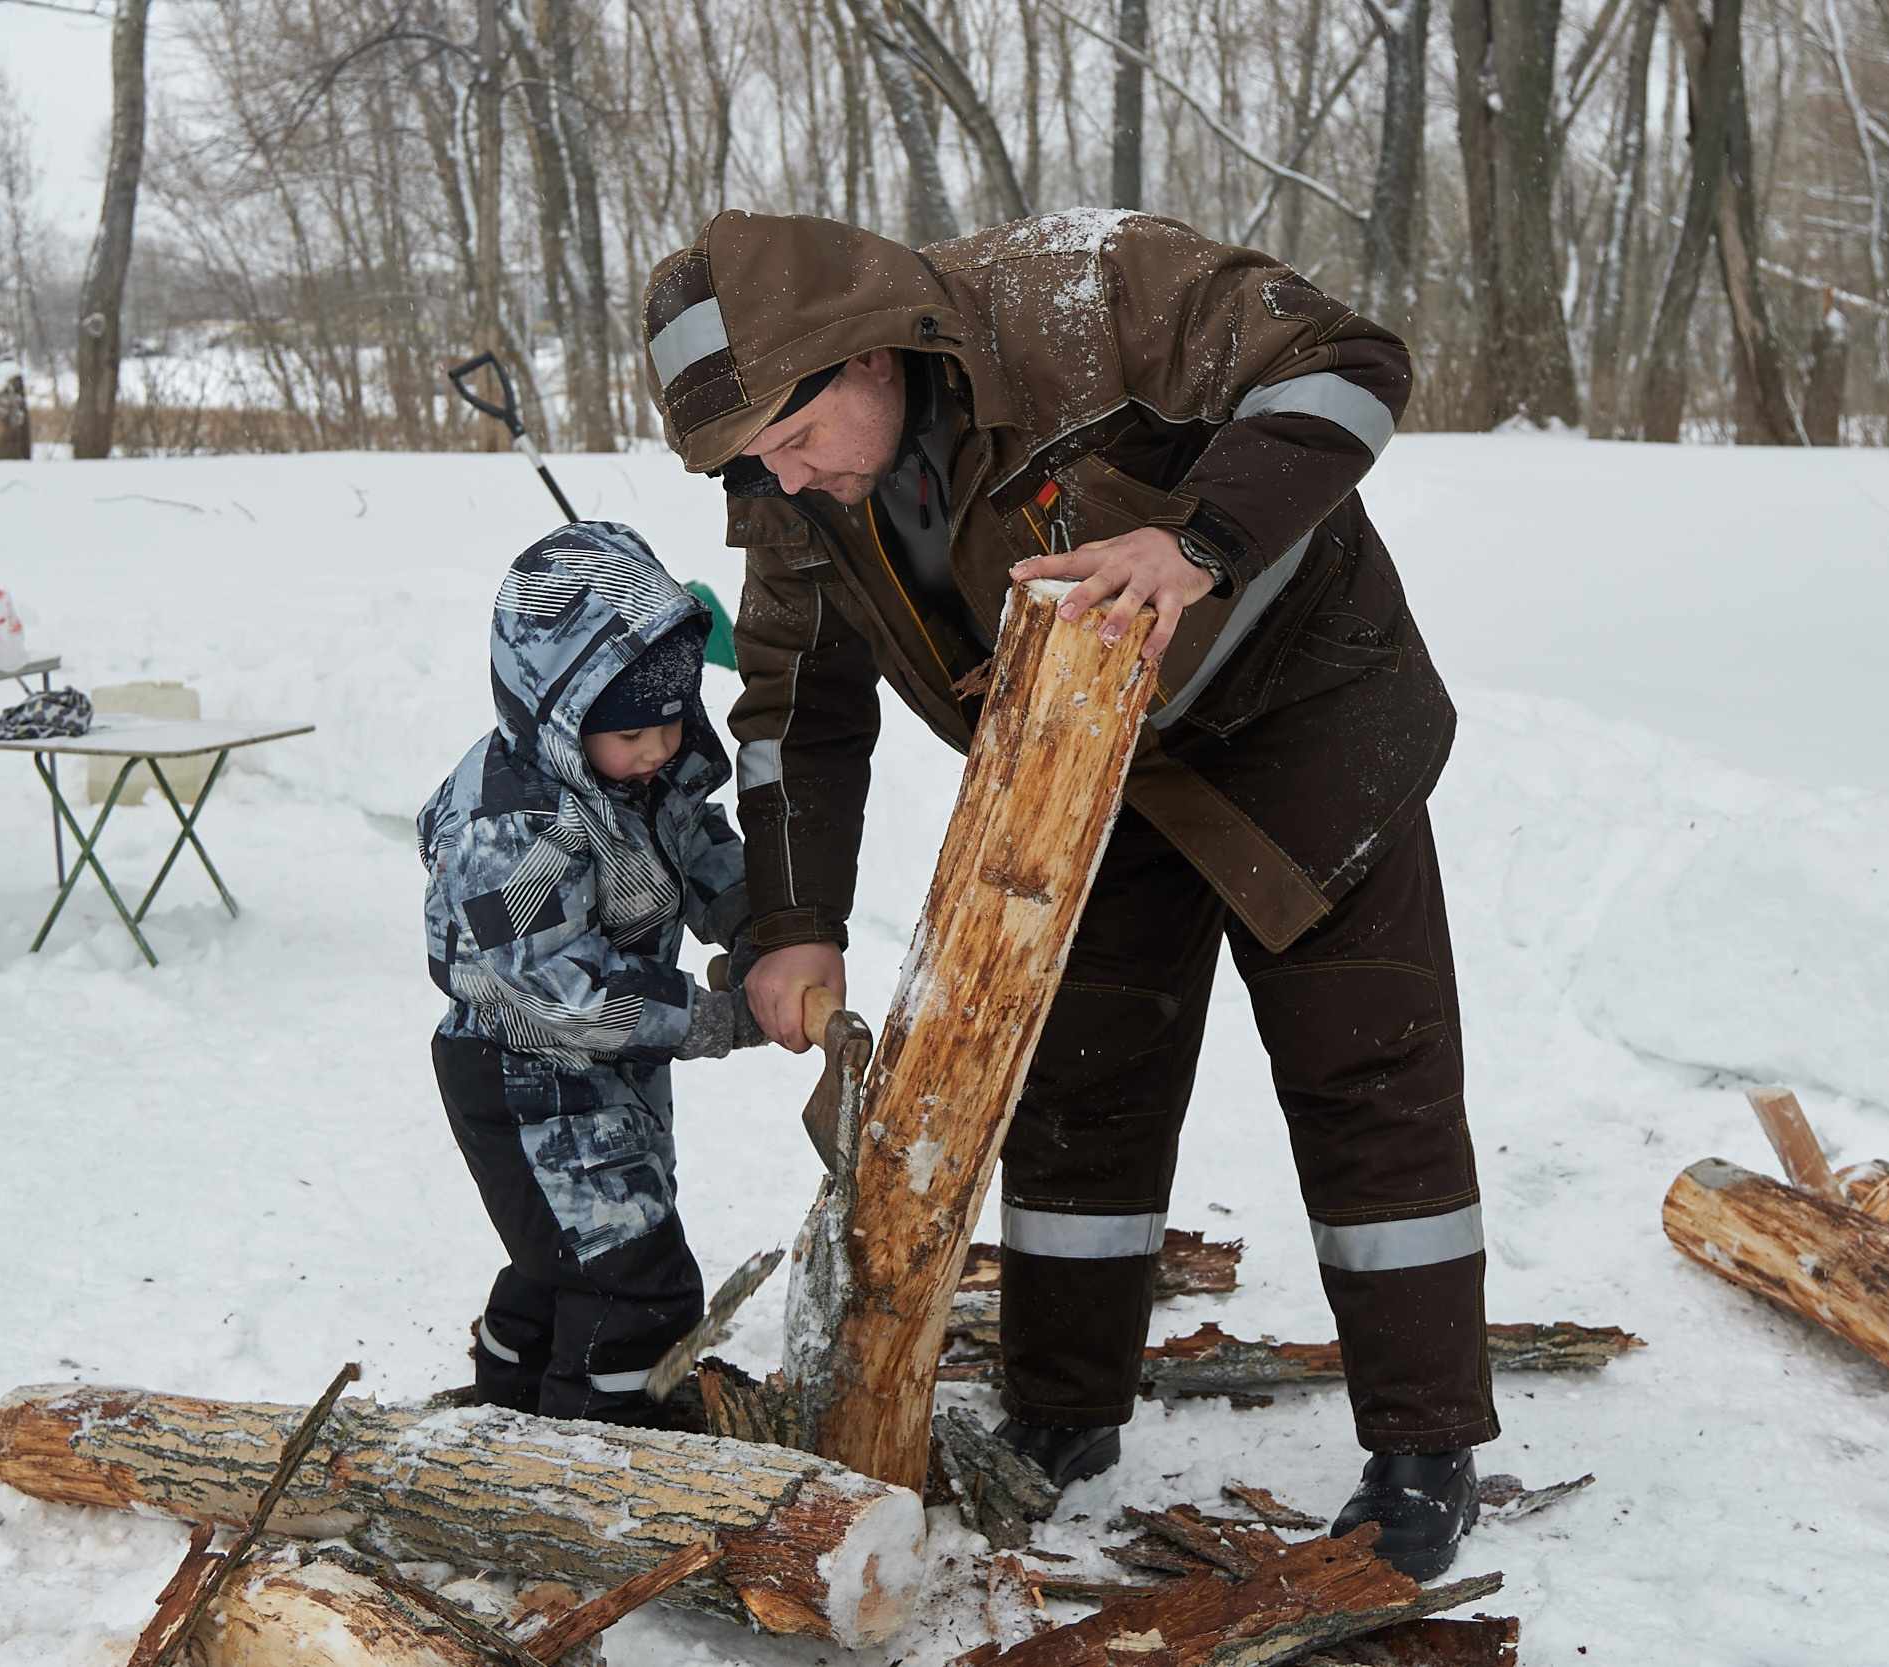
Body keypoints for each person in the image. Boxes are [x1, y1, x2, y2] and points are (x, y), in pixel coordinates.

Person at [639, 210, 1495, 1575]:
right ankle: (1061, 1410)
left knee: (1366, 1080)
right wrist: (792, 921)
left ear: (862, 353)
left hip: (1312, 727)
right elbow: (796, 697)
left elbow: (1343, 359)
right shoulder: (794, 481)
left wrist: (1203, 539)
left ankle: (1424, 1445)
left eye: (792, 442)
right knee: (1079, 1093)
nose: (785, 482)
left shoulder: (1081, 296)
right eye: (753, 464)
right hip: (1089, 771)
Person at [418, 521, 766, 1424]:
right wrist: (715, 1017)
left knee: (570, 1253)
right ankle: (612, 1447)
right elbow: (552, 987)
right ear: (561, 717)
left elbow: (694, 845)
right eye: (631, 732)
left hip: (604, 1066)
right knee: (631, 1272)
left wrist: (756, 922)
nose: (657, 748)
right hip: (521, 1072)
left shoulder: (643, 775)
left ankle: (513, 1403)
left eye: (670, 719)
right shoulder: (520, 830)